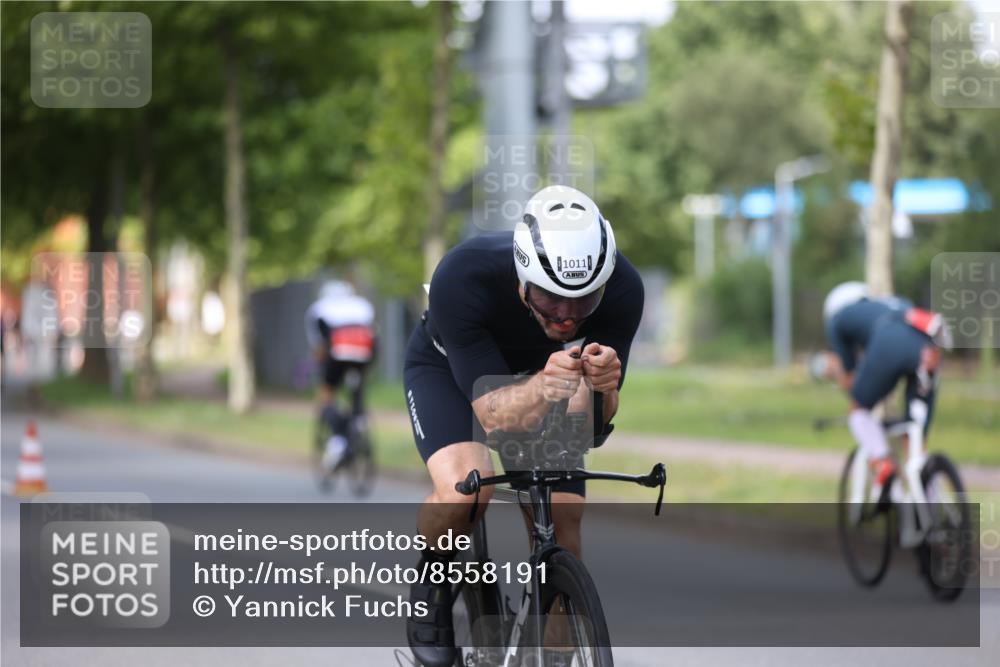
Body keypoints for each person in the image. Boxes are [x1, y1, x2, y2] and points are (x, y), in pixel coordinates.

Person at [403, 185, 644, 666]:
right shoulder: (463, 276)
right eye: (552, 299)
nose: (567, 317)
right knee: (466, 491)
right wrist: (544, 386)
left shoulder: (623, 289)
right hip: (450, 371)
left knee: (563, 514)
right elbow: (496, 418)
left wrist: (602, 389)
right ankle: (432, 581)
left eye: (583, 301)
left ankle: (554, 655)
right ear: (522, 278)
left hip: (546, 377)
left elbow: (589, 426)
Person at [814, 281, 950, 495]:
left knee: (857, 411)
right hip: (927, 350)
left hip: (887, 345)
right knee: (915, 441)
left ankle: (882, 462)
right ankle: (930, 505)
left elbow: (850, 378)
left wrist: (839, 377)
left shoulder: (838, 319)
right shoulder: (893, 304)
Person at [304, 280, 376, 470]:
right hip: (365, 352)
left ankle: (338, 439)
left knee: (327, 392)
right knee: (357, 386)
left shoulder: (318, 309)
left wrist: (322, 370)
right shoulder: (362, 305)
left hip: (338, 352)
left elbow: (319, 347)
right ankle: (358, 418)